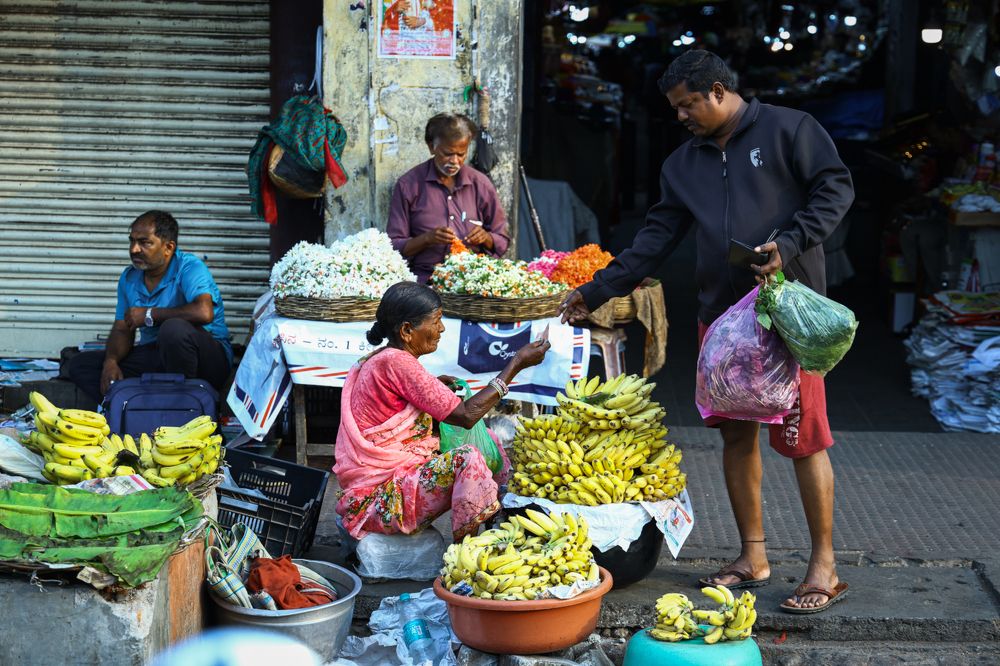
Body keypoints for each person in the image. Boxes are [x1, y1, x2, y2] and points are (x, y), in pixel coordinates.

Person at [560, 50, 854, 614]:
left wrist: (788, 244)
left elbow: (834, 191)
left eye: (688, 104)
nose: (681, 116)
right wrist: (595, 290)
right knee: (734, 435)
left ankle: (825, 565)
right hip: (723, 321)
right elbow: (656, 238)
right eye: (676, 108)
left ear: (718, 91)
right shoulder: (682, 163)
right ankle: (754, 557)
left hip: (789, 315)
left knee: (803, 438)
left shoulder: (792, 129)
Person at [334, 281, 549, 542]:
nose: (442, 328)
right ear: (407, 330)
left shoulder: (383, 358)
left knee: (489, 441)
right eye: (436, 321)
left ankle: (500, 520)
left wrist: (433, 386)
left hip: (386, 487)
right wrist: (516, 364)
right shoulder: (397, 362)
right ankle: (466, 551)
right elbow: (467, 416)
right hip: (378, 500)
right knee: (467, 458)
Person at [66, 210, 233, 405]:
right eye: (132, 241)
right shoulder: (129, 277)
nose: (134, 249)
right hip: (158, 355)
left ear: (168, 248)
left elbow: (204, 312)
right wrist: (110, 361)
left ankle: (184, 408)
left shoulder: (190, 267)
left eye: (144, 243)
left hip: (205, 358)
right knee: (80, 365)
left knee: (173, 330)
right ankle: (138, 411)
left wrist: (149, 314)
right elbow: (122, 328)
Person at [386, 113, 510, 283]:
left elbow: (502, 241)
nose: (454, 161)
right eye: (447, 153)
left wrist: (486, 238)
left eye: (461, 154)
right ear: (431, 147)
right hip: (425, 280)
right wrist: (427, 239)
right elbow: (393, 247)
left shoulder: (480, 184)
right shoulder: (409, 185)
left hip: (473, 281)